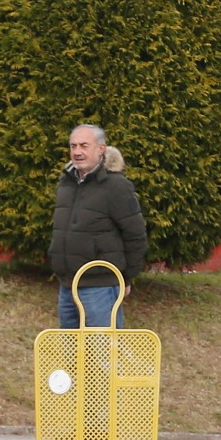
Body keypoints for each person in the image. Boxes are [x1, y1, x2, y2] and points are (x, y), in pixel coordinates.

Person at [49, 125, 147, 329]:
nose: (77, 152)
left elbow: (135, 235)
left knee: (101, 357)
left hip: (100, 288)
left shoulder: (116, 186)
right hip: (67, 286)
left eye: (84, 145)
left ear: (101, 149)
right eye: (73, 146)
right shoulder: (66, 183)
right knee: (70, 356)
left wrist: (125, 278)